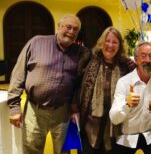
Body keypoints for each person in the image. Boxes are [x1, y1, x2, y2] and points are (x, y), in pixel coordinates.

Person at [7, 14, 83, 154]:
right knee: (31, 150)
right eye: (68, 27)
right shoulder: (36, 42)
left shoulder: (79, 52)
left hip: (63, 113)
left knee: (63, 151)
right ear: (59, 26)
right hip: (35, 111)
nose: (71, 32)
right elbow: (18, 75)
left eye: (75, 30)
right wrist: (14, 108)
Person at [73, 26, 135, 154]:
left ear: (120, 46)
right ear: (101, 42)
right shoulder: (89, 58)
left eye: (114, 42)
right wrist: (74, 108)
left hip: (115, 124)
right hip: (89, 123)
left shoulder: (125, 65)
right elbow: (76, 84)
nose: (110, 45)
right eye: (107, 41)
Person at [109, 42, 151, 154]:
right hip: (127, 135)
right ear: (136, 59)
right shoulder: (124, 82)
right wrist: (126, 104)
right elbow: (114, 118)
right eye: (143, 56)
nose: (148, 60)